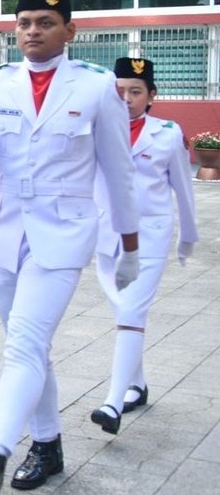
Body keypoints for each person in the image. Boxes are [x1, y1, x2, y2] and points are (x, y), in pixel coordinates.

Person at [0, 0, 140, 495]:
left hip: (62, 234)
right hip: (4, 233)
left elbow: (119, 173)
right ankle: (48, 443)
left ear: (69, 30)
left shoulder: (96, 87)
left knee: (25, 342)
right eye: (25, 22)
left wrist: (130, 247)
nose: (32, 31)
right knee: (30, 346)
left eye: (45, 22)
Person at [89, 57, 198, 433]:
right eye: (120, 91)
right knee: (125, 314)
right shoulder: (97, 130)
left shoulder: (167, 134)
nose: (127, 98)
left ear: (151, 95)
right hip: (107, 237)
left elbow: (183, 189)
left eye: (135, 91)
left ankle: (112, 403)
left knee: (132, 312)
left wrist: (187, 237)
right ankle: (137, 384)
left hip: (149, 236)